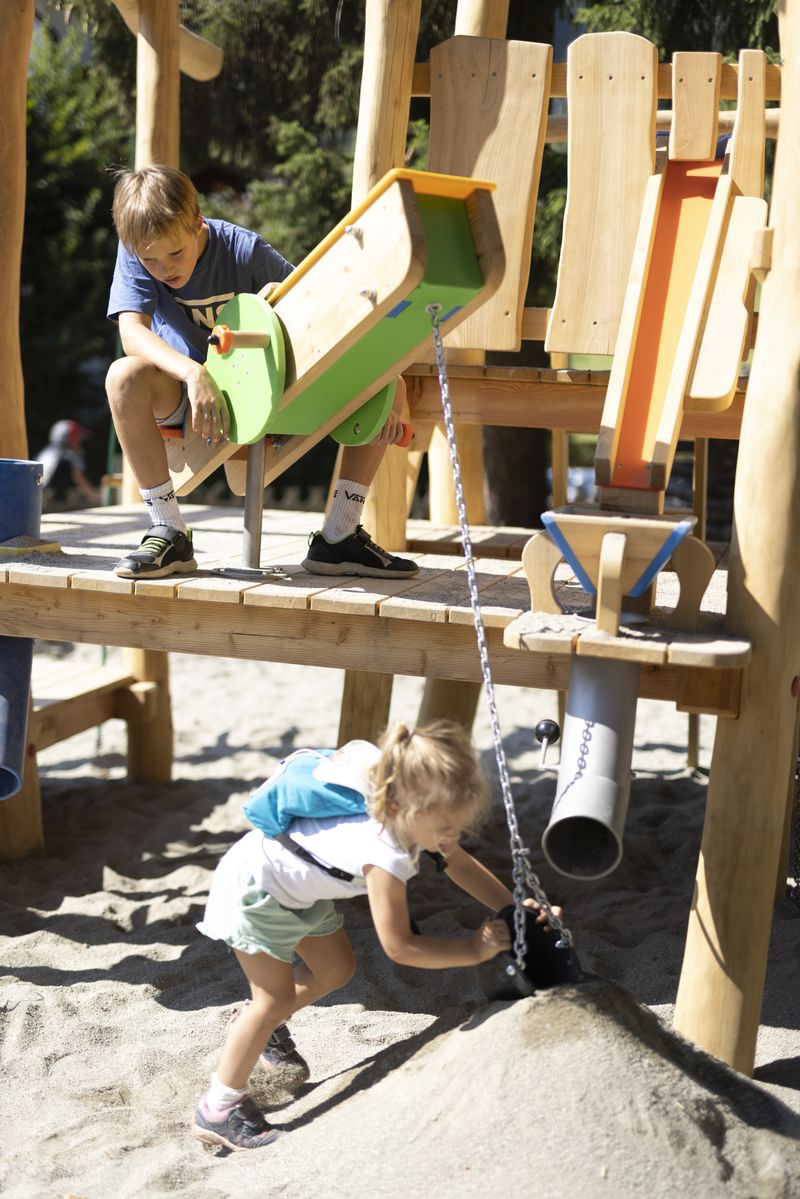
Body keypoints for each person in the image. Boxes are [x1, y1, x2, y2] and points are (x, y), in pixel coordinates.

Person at [192, 720, 559, 1153]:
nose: (450, 836)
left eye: (457, 825)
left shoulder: (406, 807)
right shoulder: (383, 851)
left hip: (297, 892)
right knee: (271, 999)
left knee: (336, 969)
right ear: (404, 809)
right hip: (254, 892)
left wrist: (511, 909)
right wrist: (473, 950)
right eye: (444, 827)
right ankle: (218, 1108)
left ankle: (259, 1028)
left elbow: (457, 864)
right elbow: (399, 946)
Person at [105, 164, 419, 580]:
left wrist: (381, 408)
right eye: (151, 260)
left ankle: (339, 535)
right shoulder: (135, 250)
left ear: (198, 222)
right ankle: (168, 529)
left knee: (388, 384)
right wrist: (194, 375)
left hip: (262, 393)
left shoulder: (243, 250)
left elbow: (315, 321)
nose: (165, 269)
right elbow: (132, 332)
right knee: (122, 375)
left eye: (176, 253)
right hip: (187, 396)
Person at [37, 420, 101, 507]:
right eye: (76, 436)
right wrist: (97, 498)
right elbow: (79, 479)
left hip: (39, 496)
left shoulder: (47, 452)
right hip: (50, 501)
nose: (80, 440)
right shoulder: (68, 456)